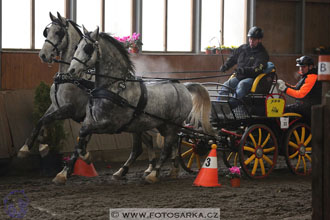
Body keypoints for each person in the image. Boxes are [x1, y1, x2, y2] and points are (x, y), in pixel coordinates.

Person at [218, 26, 269, 108]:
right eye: (250, 39)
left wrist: (244, 70)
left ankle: (230, 106)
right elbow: (233, 58)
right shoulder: (243, 48)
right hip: (239, 77)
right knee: (226, 85)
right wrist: (226, 66)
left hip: (252, 79)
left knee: (242, 85)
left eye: (254, 39)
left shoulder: (262, 54)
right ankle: (219, 107)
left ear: (260, 40)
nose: (251, 41)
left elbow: (257, 69)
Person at [277, 55, 322, 124]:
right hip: (304, 105)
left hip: (307, 107)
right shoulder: (307, 76)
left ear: (310, 67)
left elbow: (300, 95)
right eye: (300, 66)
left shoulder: (312, 77)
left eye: (303, 67)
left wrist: (285, 89)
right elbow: (296, 88)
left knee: (282, 109)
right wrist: (285, 84)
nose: (301, 69)